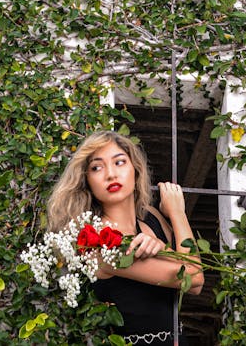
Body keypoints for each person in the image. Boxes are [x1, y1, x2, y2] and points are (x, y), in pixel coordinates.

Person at [47, 130, 204, 345]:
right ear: (87, 182)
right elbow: (193, 276)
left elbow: (195, 287)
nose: (110, 174)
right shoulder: (99, 243)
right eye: (96, 168)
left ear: (136, 170)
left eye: (119, 162)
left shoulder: (152, 218)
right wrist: (177, 213)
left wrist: (162, 248)